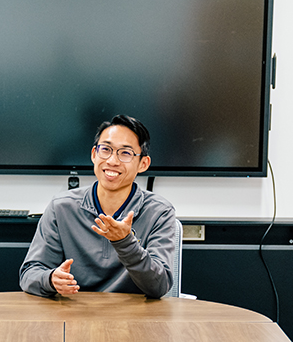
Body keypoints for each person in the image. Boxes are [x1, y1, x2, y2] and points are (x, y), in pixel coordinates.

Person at [20, 115, 176, 298]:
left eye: (125, 153)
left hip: (134, 320)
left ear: (143, 163)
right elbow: (29, 274)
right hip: (72, 316)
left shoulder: (159, 212)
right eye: (106, 150)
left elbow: (159, 286)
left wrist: (125, 243)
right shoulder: (61, 207)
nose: (112, 161)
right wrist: (51, 279)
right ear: (94, 154)